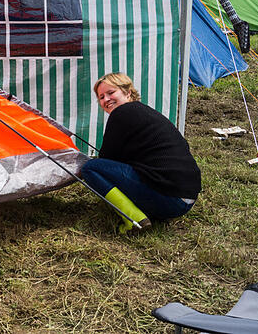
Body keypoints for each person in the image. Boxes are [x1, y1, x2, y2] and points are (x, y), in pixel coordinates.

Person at [79, 73, 201, 233]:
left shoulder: (121, 113)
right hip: (186, 199)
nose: (106, 99)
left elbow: (107, 158)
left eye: (111, 93)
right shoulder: (142, 111)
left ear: (127, 92)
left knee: (91, 168)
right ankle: (149, 211)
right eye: (101, 97)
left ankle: (134, 219)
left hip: (171, 199)